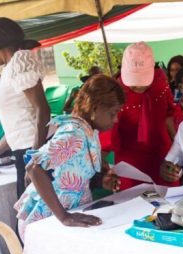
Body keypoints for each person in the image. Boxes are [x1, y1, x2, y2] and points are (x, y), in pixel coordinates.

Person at [14, 74, 124, 241]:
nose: (116, 120)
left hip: (64, 217)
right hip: (44, 221)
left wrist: (101, 181)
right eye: (112, 113)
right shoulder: (74, 134)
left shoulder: (90, 132)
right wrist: (64, 216)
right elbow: (34, 168)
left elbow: (71, 172)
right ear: (95, 108)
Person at [100, 42, 178, 190]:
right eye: (133, 80)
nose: (137, 86)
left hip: (162, 156)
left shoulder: (161, 83)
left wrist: (177, 149)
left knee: (168, 203)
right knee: (132, 204)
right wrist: (102, 167)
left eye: (143, 80)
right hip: (129, 161)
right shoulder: (115, 91)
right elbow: (107, 133)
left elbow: (169, 116)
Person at [0, 17, 51, 198]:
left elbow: (43, 110)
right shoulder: (11, 68)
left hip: (33, 152)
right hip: (25, 152)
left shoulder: (20, 60)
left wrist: (34, 160)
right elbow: (18, 126)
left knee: (36, 219)